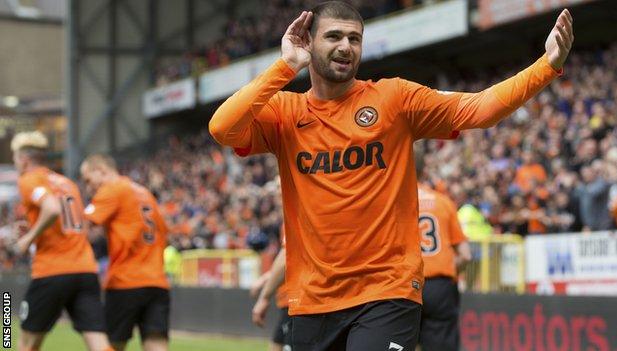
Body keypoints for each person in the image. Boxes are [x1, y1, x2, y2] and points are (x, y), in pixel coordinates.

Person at [209, 1, 573, 349]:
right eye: (333, 36)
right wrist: (286, 66)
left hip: (386, 291)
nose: (346, 47)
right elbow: (222, 127)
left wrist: (547, 64)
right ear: (308, 42)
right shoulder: (285, 113)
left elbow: (479, 109)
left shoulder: (393, 98)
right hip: (313, 299)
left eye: (354, 38)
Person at [11, 131, 111, 351]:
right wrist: (35, 227)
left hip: (52, 270)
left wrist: (28, 238)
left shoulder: (28, 179)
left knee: (26, 343)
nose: (14, 162)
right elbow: (77, 225)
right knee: (98, 343)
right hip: (85, 270)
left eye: (15, 157)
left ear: (24, 159)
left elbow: (52, 208)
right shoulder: (67, 183)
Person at [80, 154, 170, 351]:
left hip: (126, 280)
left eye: (88, 179)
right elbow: (164, 232)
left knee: (110, 344)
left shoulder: (112, 189)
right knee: (157, 345)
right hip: (157, 282)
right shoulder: (144, 193)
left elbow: (81, 226)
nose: (89, 188)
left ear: (101, 170)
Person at [416, 156, 471, 351]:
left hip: (403, 284)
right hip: (439, 286)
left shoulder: (390, 201)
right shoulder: (443, 202)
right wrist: (447, 264)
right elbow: (465, 255)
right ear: (424, 171)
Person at [251, 248, 290, 351]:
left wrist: (264, 296)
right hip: (289, 305)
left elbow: (287, 258)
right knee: (277, 344)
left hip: (292, 305)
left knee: (278, 345)